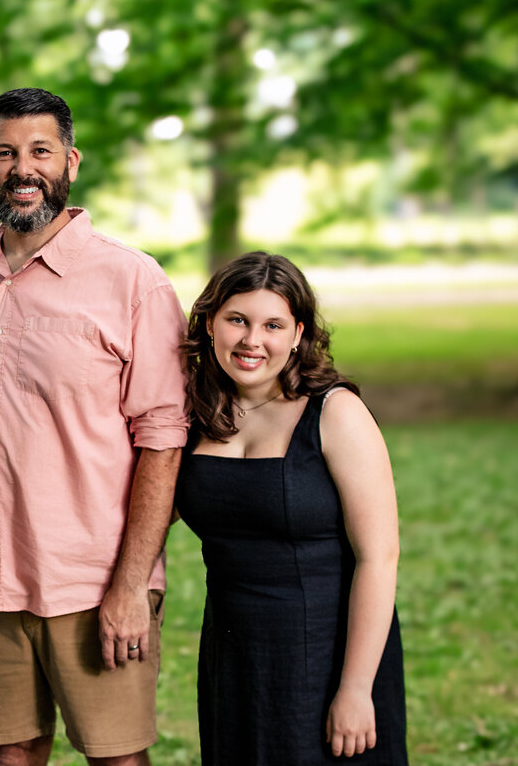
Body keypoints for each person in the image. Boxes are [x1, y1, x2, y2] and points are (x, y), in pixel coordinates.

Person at [0, 87, 188, 765]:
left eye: (40, 151)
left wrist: (132, 585)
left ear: (70, 163)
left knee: (116, 755)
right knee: (12, 753)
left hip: (92, 577)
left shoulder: (133, 281)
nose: (23, 167)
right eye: (5, 153)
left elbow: (163, 441)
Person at [175, 252, 408, 765]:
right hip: (234, 649)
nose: (251, 341)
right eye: (237, 319)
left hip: (326, 648)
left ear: (298, 333)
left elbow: (379, 557)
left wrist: (355, 689)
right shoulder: (192, 413)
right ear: (210, 321)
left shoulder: (335, 412)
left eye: (272, 325)